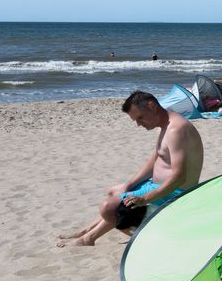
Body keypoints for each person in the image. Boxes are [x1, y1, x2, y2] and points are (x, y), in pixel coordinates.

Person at [58, 91, 204, 247]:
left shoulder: (176, 130)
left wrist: (145, 198)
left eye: (140, 117)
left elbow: (179, 177)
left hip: (175, 191)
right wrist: (129, 184)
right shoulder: (165, 126)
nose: (139, 124)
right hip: (157, 184)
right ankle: (87, 232)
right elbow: (156, 160)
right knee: (115, 191)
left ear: (152, 106)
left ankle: (89, 239)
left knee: (107, 208)